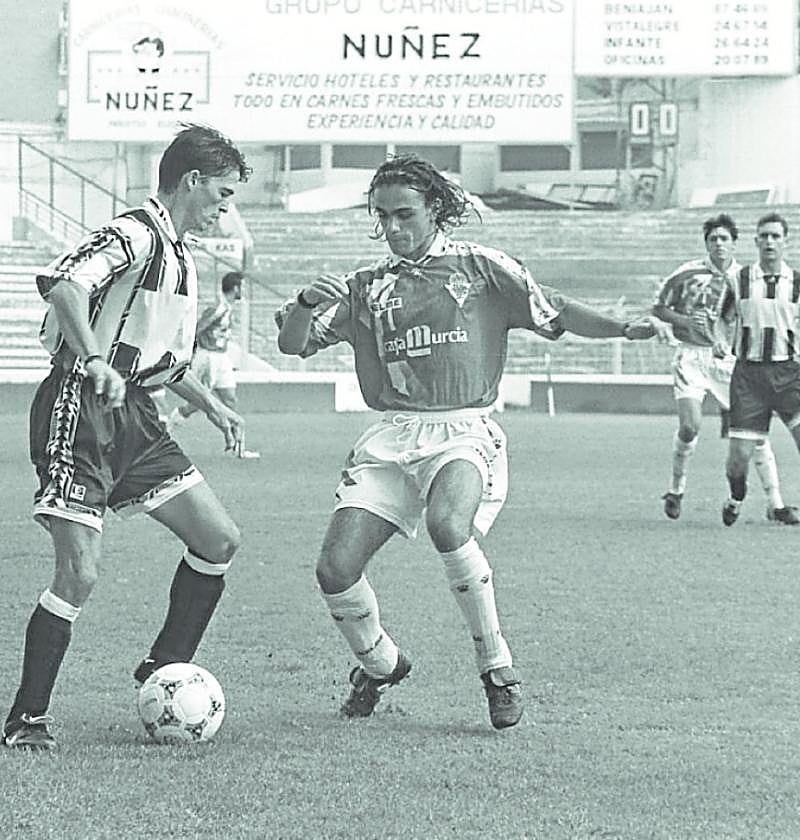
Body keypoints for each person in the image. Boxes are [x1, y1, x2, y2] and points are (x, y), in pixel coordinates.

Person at [275, 154, 664, 730]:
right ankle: (380, 664)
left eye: (404, 213)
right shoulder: (366, 287)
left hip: (463, 428)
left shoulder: (481, 269)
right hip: (390, 437)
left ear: (435, 209)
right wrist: (305, 305)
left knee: (448, 526)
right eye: (381, 217)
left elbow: (553, 308)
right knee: (334, 569)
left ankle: (497, 668)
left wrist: (623, 327)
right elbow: (292, 345)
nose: (393, 228)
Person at [4, 124, 250, 751]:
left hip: (136, 414)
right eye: (222, 192)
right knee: (79, 573)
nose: (227, 207)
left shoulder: (182, 254)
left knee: (218, 539)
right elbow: (65, 283)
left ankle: (165, 666)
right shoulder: (136, 232)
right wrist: (93, 360)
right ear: (191, 181)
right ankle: (27, 718)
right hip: (81, 405)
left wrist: (213, 405)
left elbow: (163, 362)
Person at [653, 215, 794, 523]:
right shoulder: (686, 273)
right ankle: (676, 490)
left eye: (724, 239)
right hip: (691, 357)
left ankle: (776, 504)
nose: (718, 244)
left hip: (731, 363)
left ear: (735, 243)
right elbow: (659, 307)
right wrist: (685, 322)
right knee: (690, 426)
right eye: (713, 239)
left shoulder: (744, 278)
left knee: (755, 437)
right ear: (706, 243)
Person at [715, 213, 800, 526]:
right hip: (749, 378)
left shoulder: (798, 282)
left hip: (789, 374)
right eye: (763, 236)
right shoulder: (739, 280)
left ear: (785, 241)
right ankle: (736, 498)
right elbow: (721, 320)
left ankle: (775, 505)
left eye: (775, 236)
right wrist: (720, 341)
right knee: (738, 462)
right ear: (755, 241)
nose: (769, 242)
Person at [169, 270, 260, 458]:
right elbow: (197, 329)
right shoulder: (218, 307)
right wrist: (192, 353)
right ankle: (171, 424)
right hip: (208, 357)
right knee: (200, 401)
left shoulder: (226, 307)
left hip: (221, 357)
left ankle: (238, 448)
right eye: (241, 286)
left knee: (230, 400)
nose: (243, 290)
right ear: (235, 288)